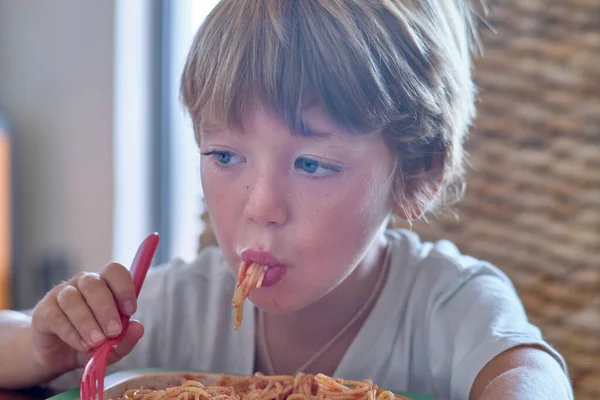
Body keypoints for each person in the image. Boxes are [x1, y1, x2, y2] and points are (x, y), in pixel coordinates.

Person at [0, 1, 573, 399]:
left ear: (417, 174)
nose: (261, 206)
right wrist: (43, 345)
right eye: (225, 157)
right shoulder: (176, 304)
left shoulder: (449, 303)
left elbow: (532, 374)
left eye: (311, 164)